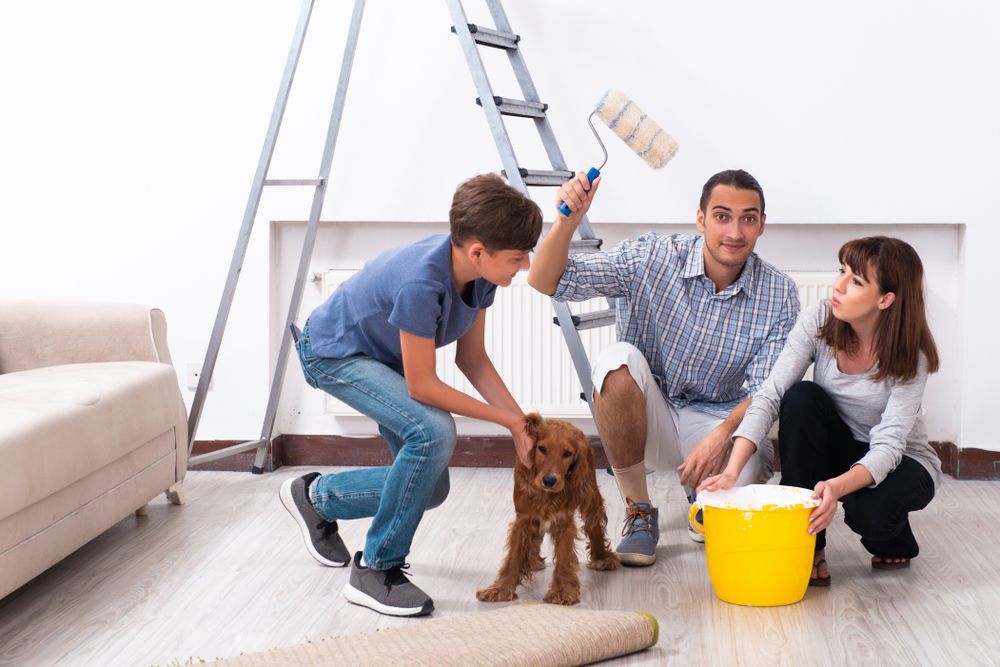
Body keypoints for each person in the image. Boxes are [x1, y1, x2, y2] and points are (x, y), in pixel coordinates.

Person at [280, 173, 542, 617]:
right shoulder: (422, 283)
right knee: (434, 431)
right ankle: (375, 569)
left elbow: (473, 360)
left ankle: (317, 499)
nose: (527, 265)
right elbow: (422, 385)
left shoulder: (481, 277)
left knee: (430, 487)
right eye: (518, 257)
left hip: (383, 357)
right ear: (478, 252)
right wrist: (506, 421)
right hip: (332, 353)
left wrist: (524, 425)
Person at [527, 169, 800, 566]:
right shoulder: (652, 255)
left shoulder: (779, 292)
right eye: (722, 216)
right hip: (649, 415)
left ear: (762, 224)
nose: (735, 232)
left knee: (749, 472)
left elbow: (765, 390)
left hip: (715, 421)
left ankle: (705, 500)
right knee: (616, 360)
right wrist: (568, 220)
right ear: (700, 219)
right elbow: (544, 280)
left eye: (748, 218)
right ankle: (639, 511)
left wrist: (722, 434)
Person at [699, 236, 941, 586]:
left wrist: (836, 487)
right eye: (842, 271)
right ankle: (808, 546)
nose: (838, 286)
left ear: (886, 299)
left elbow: (889, 446)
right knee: (800, 398)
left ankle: (893, 537)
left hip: (902, 459)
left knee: (867, 512)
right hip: (840, 445)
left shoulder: (911, 355)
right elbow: (769, 395)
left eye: (856, 281)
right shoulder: (820, 319)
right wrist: (731, 471)